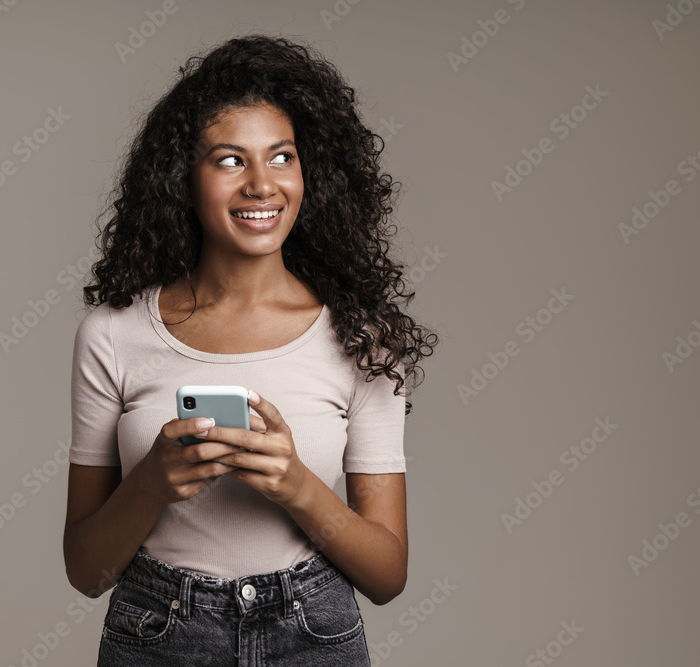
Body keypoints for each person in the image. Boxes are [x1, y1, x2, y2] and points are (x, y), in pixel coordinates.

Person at [62, 33, 438, 666]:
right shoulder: (113, 335)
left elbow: (387, 576)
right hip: (158, 633)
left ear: (309, 173)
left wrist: (296, 486)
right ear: (184, 179)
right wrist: (151, 483)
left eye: (282, 157)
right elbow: (86, 570)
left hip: (312, 633)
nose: (262, 185)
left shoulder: (362, 340)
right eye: (231, 160)